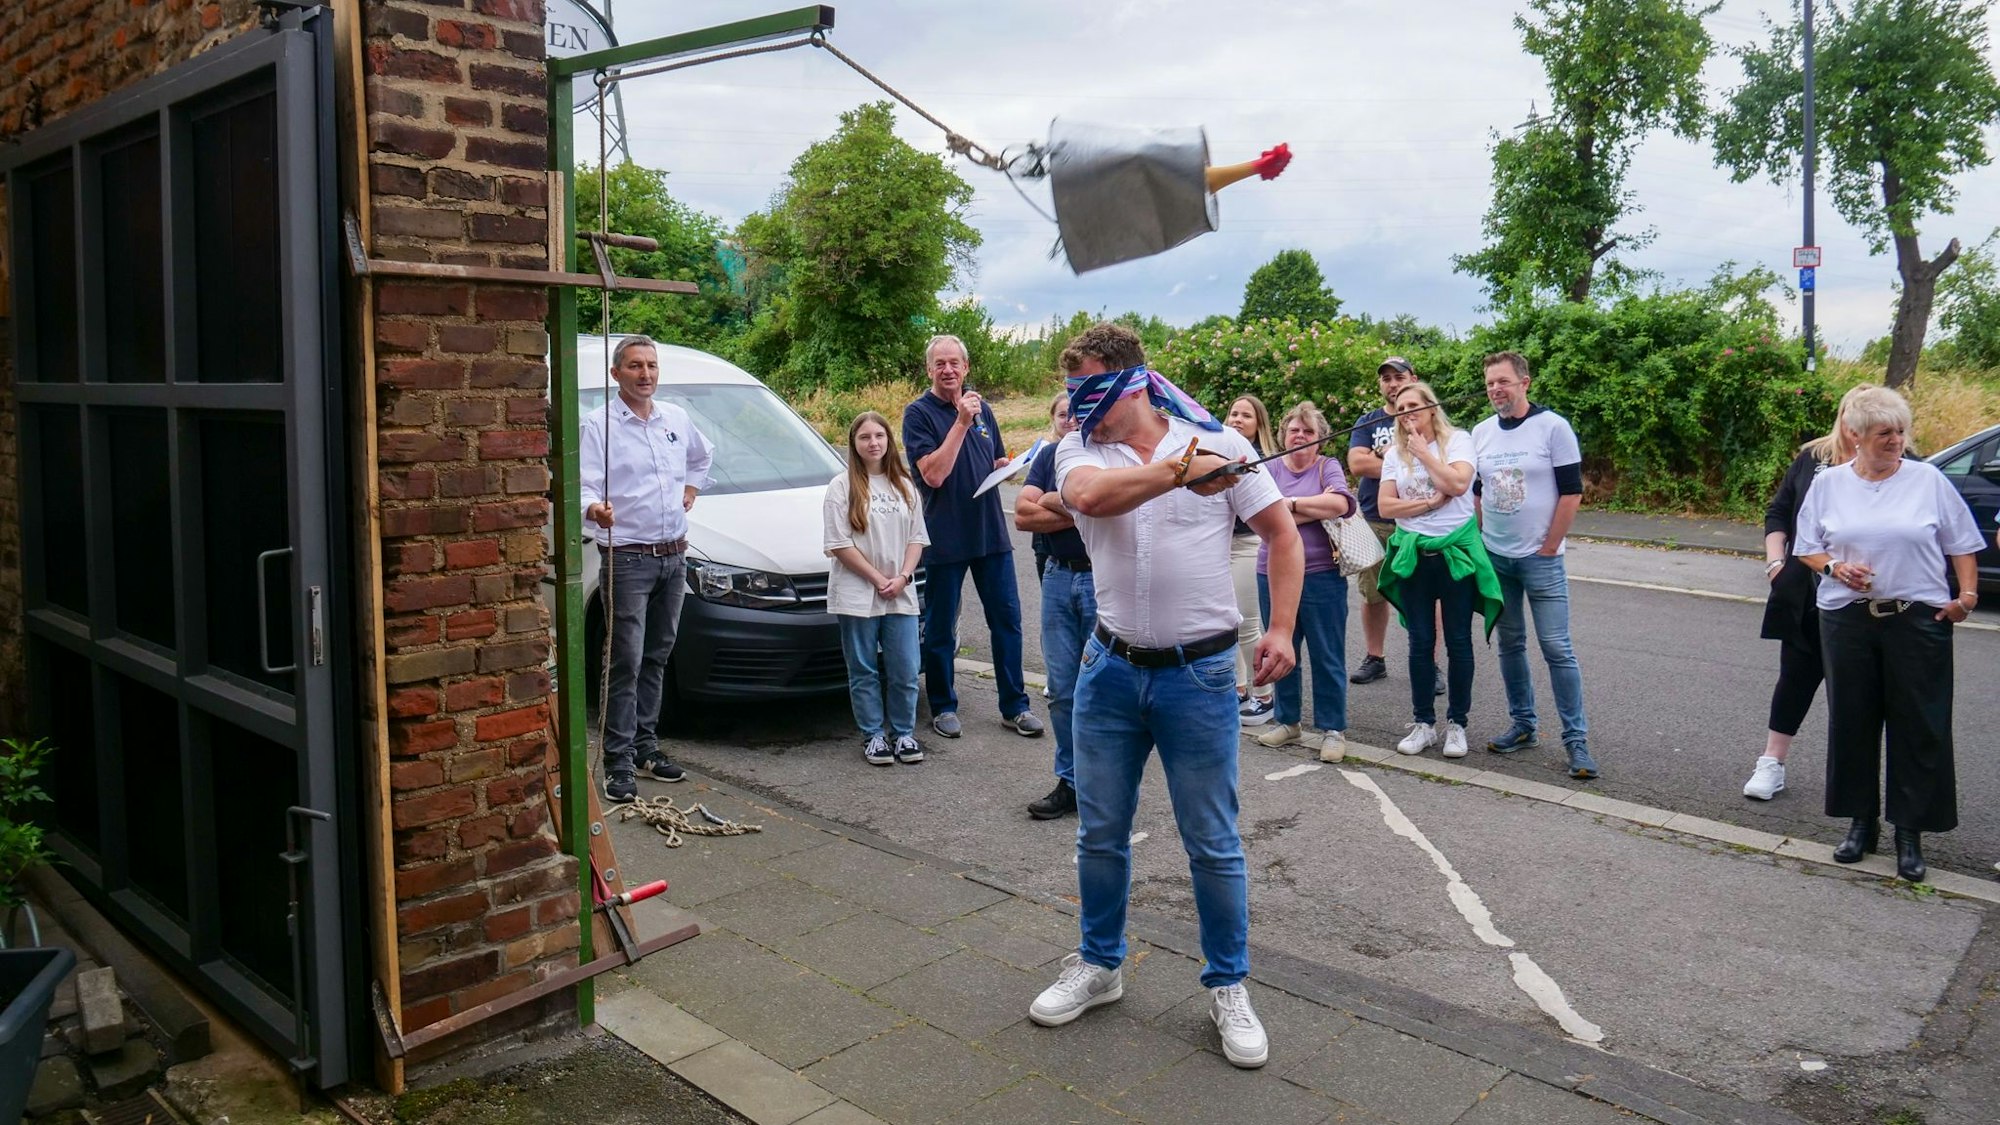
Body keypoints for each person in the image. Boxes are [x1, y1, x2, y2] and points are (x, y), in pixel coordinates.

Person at [1026, 323, 1302, 1070]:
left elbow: (1281, 533)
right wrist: (1178, 473)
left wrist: (1279, 626)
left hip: (1202, 674)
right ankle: (1099, 962)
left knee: (1212, 841)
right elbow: (1085, 496)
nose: (1080, 408)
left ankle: (1229, 985)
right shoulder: (1084, 447)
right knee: (1100, 830)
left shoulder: (1222, 445)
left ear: (1130, 382)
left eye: (1090, 390)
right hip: (1109, 669)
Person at [1793, 385, 1984, 882]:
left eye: (1901, 431)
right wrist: (1835, 568)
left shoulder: (1928, 481)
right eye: (1885, 433)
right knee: (1853, 720)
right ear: (1856, 436)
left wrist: (1966, 598)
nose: (1897, 440)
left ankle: (1909, 832)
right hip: (1846, 619)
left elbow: (1962, 542)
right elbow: (1807, 547)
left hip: (1917, 619)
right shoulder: (1829, 484)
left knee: (1919, 723)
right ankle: (1861, 825)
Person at [581, 335, 714, 802]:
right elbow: (583, 485)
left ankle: (645, 747)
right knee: (626, 660)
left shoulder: (674, 418)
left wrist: (693, 490)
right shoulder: (599, 425)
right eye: (635, 366)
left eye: (652, 365)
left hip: (673, 555)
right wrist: (595, 508)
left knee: (658, 655)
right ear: (616, 374)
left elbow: (702, 456)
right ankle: (617, 762)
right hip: (628, 556)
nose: (646, 374)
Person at [902, 335, 1044, 740]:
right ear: (928, 370)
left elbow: (992, 458)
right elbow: (933, 474)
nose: (948, 370)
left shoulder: (984, 409)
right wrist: (961, 423)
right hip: (945, 535)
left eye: (955, 363)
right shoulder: (919, 415)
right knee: (942, 626)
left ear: (966, 368)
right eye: (939, 363)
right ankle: (944, 706)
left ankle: (1015, 706)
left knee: (1008, 621)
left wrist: (1004, 465)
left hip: (990, 533)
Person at [1471, 351, 1598, 780]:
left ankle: (1576, 741)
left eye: (1503, 381)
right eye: (1490, 383)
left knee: (1557, 649)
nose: (1495, 390)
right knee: (1510, 645)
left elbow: (1571, 492)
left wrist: (1549, 547)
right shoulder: (1482, 433)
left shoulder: (1553, 428)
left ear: (1525, 382)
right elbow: (1476, 490)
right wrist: (1482, 537)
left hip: (1541, 560)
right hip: (1496, 557)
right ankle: (1523, 725)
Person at [1743, 385, 1875, 800]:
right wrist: (1775, 563)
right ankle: (1771, 762)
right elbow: (1779, 511)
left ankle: (1856, 783)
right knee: (1795, 678)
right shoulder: (1814, 458)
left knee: (1857, 692)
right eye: (1854, 416)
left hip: (1865, 598)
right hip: (1804, 592)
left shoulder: (1900, 463)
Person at [1375, 382, 1500, 762]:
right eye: (1399, 407)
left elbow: (1460, 483)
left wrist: (1425, 456)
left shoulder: (1458, 440)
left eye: (1414, 405)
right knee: (1420, 641)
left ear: (1432, 408)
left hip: (1455, 552)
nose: (1406, 412)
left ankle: (1457, 724)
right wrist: (1429, 502)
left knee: (1459, 640)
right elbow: (1385, 507)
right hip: (1414, 554)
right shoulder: (1396, 453)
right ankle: (1424, 724)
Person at [1252, 401, 1358, 762]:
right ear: (1283, 435)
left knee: (1328, 653)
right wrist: (1312, 507)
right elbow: (1256, 514)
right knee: (1280, 648)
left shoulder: (1328, 466)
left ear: (1320, 439)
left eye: (1308, 431)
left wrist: (1289, 506)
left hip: (1321, 575)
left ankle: (1333, 729)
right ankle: (1287, 720)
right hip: (1272, 572)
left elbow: (1342, 504)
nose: (1300, 436)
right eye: (1294, 430)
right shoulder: (1267, 468)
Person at [824, 412, 930, 766]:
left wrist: (901, 577)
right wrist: (876, 578)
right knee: (864, 668)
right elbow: (839, 543)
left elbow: (917, 538)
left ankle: (903, 733)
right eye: (865, 437)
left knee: (904, 667)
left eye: (879, 436)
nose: (873, 443)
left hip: (899, 591)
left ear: (889, 440)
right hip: (858, 592)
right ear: (854, 444)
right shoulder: (841, 486)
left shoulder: (904, 484)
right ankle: (873, 736)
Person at [1015, 399, 1093, 819]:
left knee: (1102, 690)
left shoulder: (1107, 456)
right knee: (1062, 689)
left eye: (1082, 410)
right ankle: (1070, 781)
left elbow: (1113, 510)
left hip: (1102, 578)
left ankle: (1102, 781)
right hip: (1058, 576)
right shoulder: (1049, 454)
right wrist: (1081, 507)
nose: (1074, 419)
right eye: (1067, 412)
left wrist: (1054, 501)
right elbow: (1023, 515)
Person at [1345, 357, 1421, 687]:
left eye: (1398, 376)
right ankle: (1375, 658)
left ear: (1413, 378)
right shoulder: (1368, 422)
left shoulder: (1425, 418)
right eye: (1386, 379)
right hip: (1374, 519)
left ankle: (1428, 663)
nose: (1392, 383)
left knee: (1423, 596)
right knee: (1373, 594)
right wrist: (1398, 457)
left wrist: (1386, 460)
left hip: (1418, 521)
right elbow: (1357, 465)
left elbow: (1433, 464)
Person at [1221, 395, 1279, 725]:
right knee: (1228, 622)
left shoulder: (1265, 461)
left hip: (1249, 544)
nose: (1238, 419)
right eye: (1234, 413)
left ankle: (1264, 695)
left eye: (1247, 415)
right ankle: (1238, 689)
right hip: (1220, 545)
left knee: (1247, 624)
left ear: (1259, 425)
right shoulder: (1215, 454)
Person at [1029, 391, 1077, 584]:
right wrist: (1084, 514)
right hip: (1046, 548)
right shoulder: (1045, 455)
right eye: (1062, 415)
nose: (1069, 420)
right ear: (1053, 418)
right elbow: (1026, 509)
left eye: (1073, 413)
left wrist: (1048, 499)